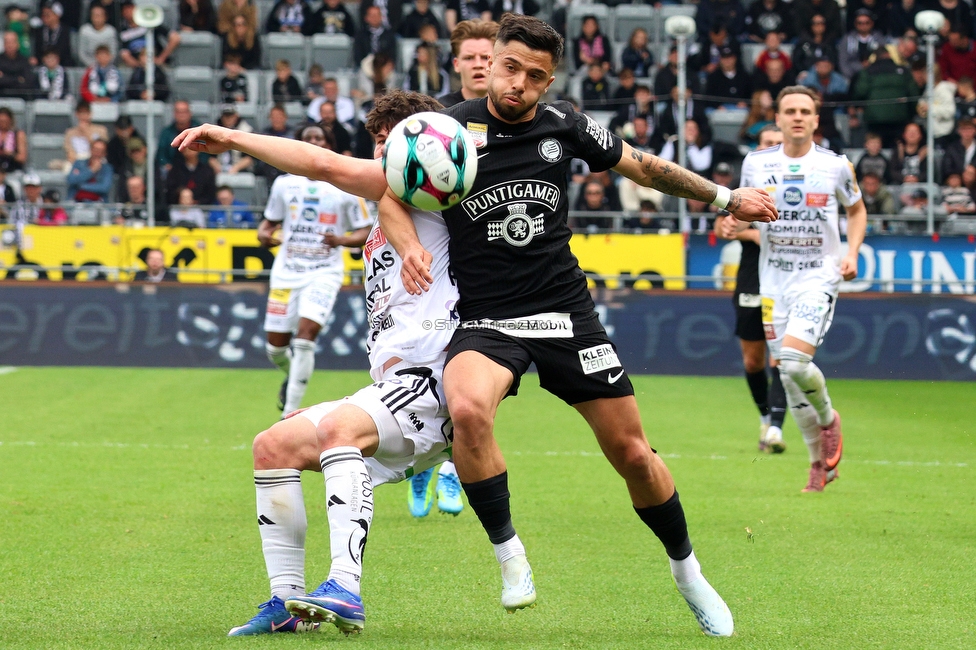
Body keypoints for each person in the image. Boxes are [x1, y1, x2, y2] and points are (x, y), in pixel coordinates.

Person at [381, 14, 776, 634]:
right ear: (493, 62)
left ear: (550, 80)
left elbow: (645, 167)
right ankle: (511, 559)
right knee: (468, 410)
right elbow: (390, 194)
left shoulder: (564, 124)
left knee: (634, 455)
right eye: (510, 68)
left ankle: (688, 573)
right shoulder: (448, 128)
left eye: (535, 76)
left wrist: (726, 199)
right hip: (488, 320)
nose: (519, 84)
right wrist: (407, 246)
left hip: (567, 314)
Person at [174, 93, 455, 641]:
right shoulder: (388, 208)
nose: (380, 153)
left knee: (337, 428)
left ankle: (344, 588)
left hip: (435, 379)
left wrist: (232, 137)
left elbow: (321, 163)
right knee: (272, 443)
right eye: (376, 142)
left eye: (391, 142)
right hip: (391, 385)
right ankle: (285, 603)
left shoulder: (439, 200)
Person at [723, 85, 865, 492]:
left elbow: (856, 210)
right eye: (790, 111)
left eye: (806, 110)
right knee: (786, 375)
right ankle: (819, 464)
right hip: (773, 278)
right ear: (779, 119)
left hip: (818, 275)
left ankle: (827, 420)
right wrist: (736, 222)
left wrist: (852, 252)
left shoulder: (836, 166)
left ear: (816, 120)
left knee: (794, 362)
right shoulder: (756, 163)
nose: (798, 116)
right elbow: (745, 210)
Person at [256, 124, 373, 417]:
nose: (313, 142)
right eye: (307, 138)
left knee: (305, 337)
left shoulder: (346, 184)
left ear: (328, 145)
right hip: (287, 271)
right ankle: (291, 375)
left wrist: (341, 240)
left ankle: (288, 415)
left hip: (325, 272)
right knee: (276, 349)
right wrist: (264, 235)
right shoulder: (284, 184)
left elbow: (366, 229)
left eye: (319, 138)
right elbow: (268, 225)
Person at [714, 125, 789, 452]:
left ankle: (776, 426)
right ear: (759, 149)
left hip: (785, 279)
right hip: (751, 278)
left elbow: (785, 239)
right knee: (753, 361)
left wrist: (753, 233)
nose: (773, 147)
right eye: (767, 143)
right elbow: (722, 226)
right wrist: (747, 232)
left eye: (778, 143)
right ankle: (764, 417)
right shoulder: (747, 188)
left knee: (782, 358)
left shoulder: (796, 188)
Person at [439, 19, 497, 108]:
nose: (478, 65)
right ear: (456, 64)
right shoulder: (440, 111)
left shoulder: (511, 111)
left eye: (485, 58)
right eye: (469, 58)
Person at [34, 1, 74, 67]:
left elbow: (66, 52)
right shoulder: (39, 30)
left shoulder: (66, 31)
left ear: (57, 15)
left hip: (62, 64)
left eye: (48, 15)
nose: (45, 17)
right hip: (42, 64)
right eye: (44, 15)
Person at [0, 107, 26, 173]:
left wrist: (9, 154)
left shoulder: (18, 135)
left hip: (13, 169)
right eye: (1, 121)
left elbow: (22, 157)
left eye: (5, 121)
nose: (3, 124)